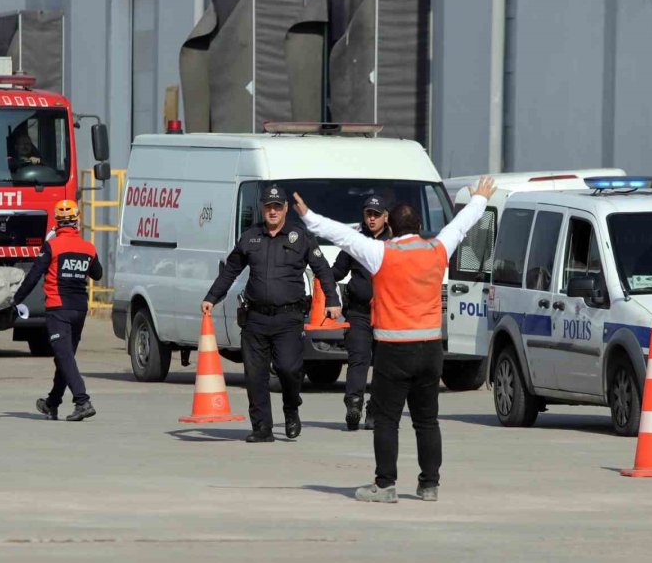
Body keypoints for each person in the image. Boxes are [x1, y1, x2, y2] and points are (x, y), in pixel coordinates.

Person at [291, 177, 495, 502]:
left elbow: (342, 236)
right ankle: (430, 485)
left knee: (387, 420)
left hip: (394, 351)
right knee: (427, 420)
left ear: (392, 225)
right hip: (430, 350)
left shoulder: (380, 253)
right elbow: (461, 225)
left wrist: (308, 216)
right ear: (419, 226)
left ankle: (385, 485)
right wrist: (480, 199)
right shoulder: (437, 249)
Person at [202, 183, 341, 443]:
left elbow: (322, 269)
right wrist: (212, 297)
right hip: (255, 318)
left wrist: (332, 300)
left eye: (278, 207)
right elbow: (231, 270)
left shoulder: (300, 237)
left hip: (289, 318)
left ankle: (291, 409)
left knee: (289, 369)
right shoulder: (250, 237)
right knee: (255, 376)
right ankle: (262, 428)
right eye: (269, 207)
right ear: (262, 209)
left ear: (286, 209)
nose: (273, 212)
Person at [12, 199, 103, 422]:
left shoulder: (52, 246)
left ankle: (82, 401)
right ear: (77, 220)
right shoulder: (88, 248)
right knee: (65, 358)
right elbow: (98, 274)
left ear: (57, 222)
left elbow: (34, 275)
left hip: (58, 309)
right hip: (80, 310)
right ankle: (52, 403)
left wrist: (16, 299)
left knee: (64, 357)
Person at [330, 195, 391, 431]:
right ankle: (353, 405)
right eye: (368, 214)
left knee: (384, 365)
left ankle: (375, 410)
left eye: (376, 214)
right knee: (358, 358)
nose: (372, 218)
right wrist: (316, 272)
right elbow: (337, 271)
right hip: (358, 312)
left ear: (386, 216)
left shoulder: (395, 243)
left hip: (387, 314)